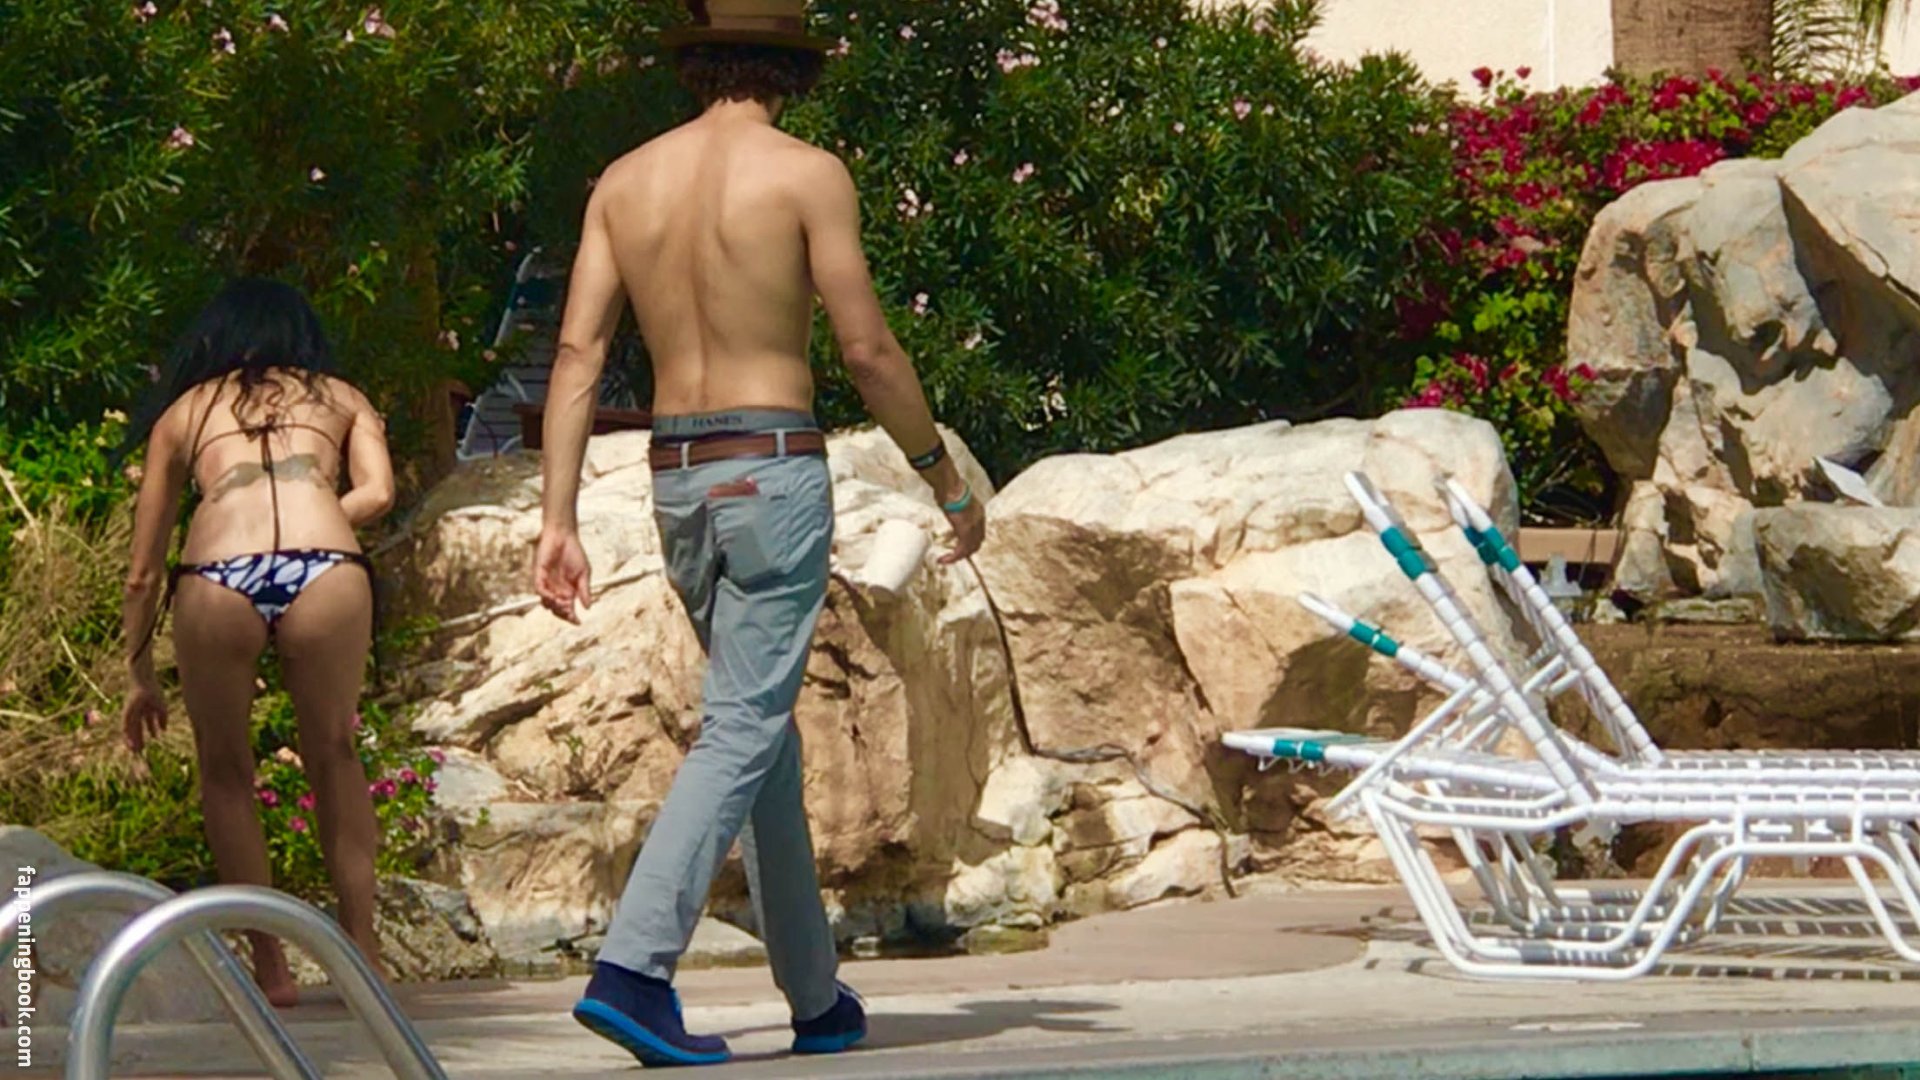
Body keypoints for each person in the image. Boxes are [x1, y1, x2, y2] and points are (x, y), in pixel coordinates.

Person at [532, 0, 987, 1066]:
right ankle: (633, 970)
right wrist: (944, 478)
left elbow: (577, 356)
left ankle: (815, 997)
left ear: (697, 64)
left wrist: (557, 518)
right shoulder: (807, 174)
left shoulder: (624, 181)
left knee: (760, 726)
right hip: (771, 465)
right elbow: (867, 349)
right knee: (743, 725)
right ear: (794, 68)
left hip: (677, 475)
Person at [118, 278, 396, 1006]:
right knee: (335, 753)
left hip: (216, 574)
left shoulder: (184, 410)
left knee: (225, 771)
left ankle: (270, 965)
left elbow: (144, 570)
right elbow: (379, 491)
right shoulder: (344, 397)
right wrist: (319, 517)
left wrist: (139, 674)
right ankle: (362, 950)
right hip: (327, 567)